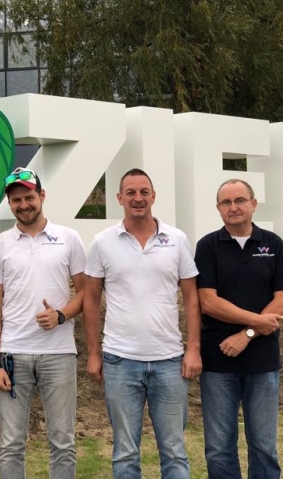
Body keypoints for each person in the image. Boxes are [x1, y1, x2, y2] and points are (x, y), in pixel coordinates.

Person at [83, 168, 202, 479]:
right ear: (119, 198)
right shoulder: (102, 243)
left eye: (144, 192)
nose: (138, 198)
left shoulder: (177, 240)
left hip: (170, 360)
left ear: (153, 196)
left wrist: (193, 349)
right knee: (125, 452)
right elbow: (90, 301)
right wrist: (93, 353)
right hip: (120, 360)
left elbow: (192, 298)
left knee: (174, 451)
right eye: (131, 193)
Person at [0, 167, 87, 479]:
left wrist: (61, 315)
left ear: (42, 195)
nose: (23, 204)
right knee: (11, 443)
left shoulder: (69, 238)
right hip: (12, 355)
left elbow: (87, 293)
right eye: (16, 200)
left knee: (63, 442)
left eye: (29, 197)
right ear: (9, 203)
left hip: (59, 354)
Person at [194, 178, 283, 479]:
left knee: (264, 446)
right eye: (226, 202)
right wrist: (257, 321)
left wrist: (247, 334)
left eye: (240, 200)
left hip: (262, 361)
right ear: (218, 208)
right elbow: (208, 302)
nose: (233, 207)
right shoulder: (207, 246)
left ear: (253, 204)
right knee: (219, 448)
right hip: (218, 362)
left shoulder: (273, 244)